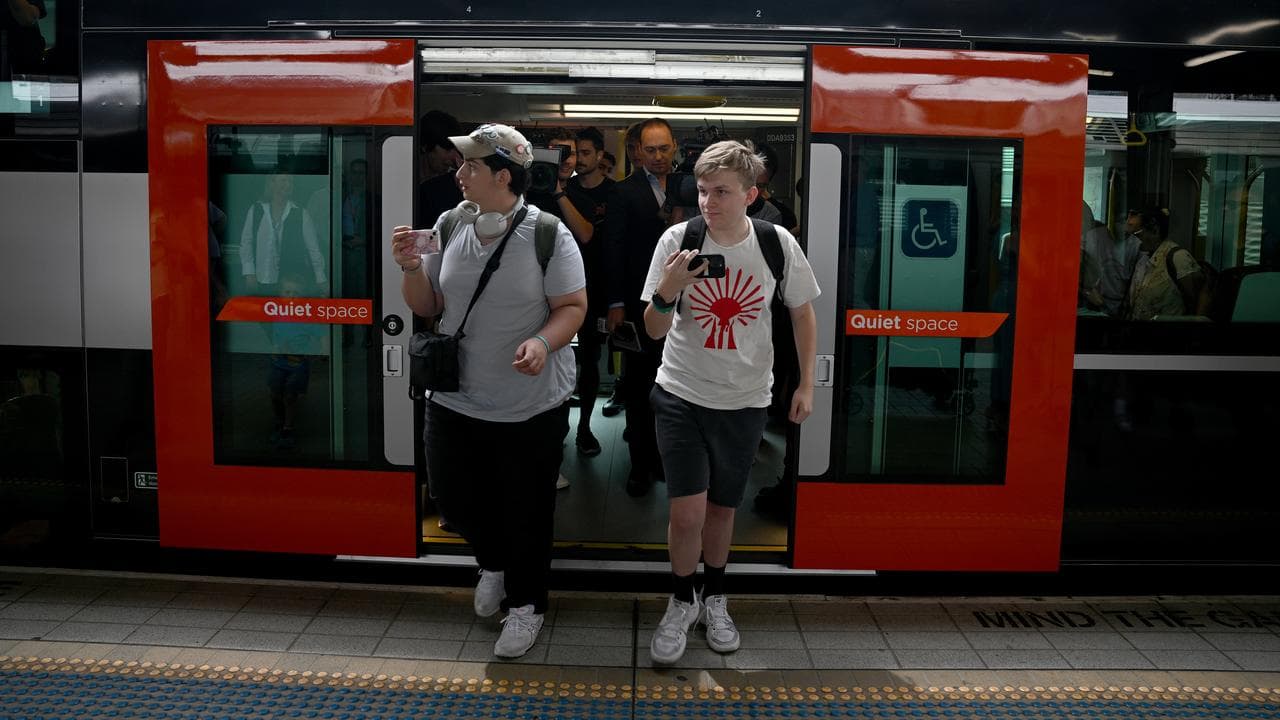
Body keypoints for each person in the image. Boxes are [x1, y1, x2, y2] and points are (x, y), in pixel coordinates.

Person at [391, 123, 586, 659]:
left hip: (531, 404)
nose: (458, 174)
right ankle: (494, 563)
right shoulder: (451, 224)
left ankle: (526, 607)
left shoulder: (548, 233)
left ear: (502, 176)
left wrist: (543, 344)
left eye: (470, 167)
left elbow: (572, 308)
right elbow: (427, 305)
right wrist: (410, 266)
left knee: (526, 508)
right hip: (455, 396)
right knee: (452, 499)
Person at [640, 140, 819, 665]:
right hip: (681, 393)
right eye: (701, 190)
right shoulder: (679, 239)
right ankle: (680, 601)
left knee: (722, 510)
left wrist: (806, 384)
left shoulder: (774, 242)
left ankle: (714, 597)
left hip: (744, 402)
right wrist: (669, 288)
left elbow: (802, 314)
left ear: (751, 194)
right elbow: (652, 330)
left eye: (721, 191)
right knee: (687, 512)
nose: (708, 201)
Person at [604, 117, 680, 497]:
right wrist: (615, 303)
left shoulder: (691, 188)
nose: (657, 157)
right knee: (638, 385)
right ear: (637, 152)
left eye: (663, 148)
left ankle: (664, 459)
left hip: (685, 307)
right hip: (637, 303)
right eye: (649, 150)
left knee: (673, 388)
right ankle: (639, 464)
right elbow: (613, 250)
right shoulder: (623, 192)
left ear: (674, 147)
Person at [563, 127, 615, 458]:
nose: (579, 160)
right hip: (558, 286)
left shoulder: (616, 193)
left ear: (599, 155)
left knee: (593, 359)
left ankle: (584, 426)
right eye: (574, 154)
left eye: (585, 153)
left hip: (598, 284)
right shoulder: (557, 189)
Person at [240, 168, 327, 297]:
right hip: (260, 279)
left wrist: (321, 279)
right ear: (272, 183)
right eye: (283, 180)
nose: (288, 184)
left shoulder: (301, 214)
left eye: (291, 181)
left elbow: (313, 249)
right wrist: (249, 274)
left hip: (289, 284)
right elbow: (246, 243)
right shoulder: (256, 210)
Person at [1124, 206, 1206, 320]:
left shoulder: (1178, 258)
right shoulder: (1143, 260)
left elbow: (1200, 296)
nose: (1132, 241)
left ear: (1155, 230)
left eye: (1137, 234)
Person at [1079, 202, 1139, 317]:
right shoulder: (1092, 238)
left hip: (1121, 307)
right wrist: (1087, 291)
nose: (1126, 225)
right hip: (1093, 305)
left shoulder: (1137, 246)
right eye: (1121, 220)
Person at [417, 110, 465, 227]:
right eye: (448, 149)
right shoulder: (404, 180)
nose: (454, 157)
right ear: (426, 146)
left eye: (456, 149)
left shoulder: (457, 182)